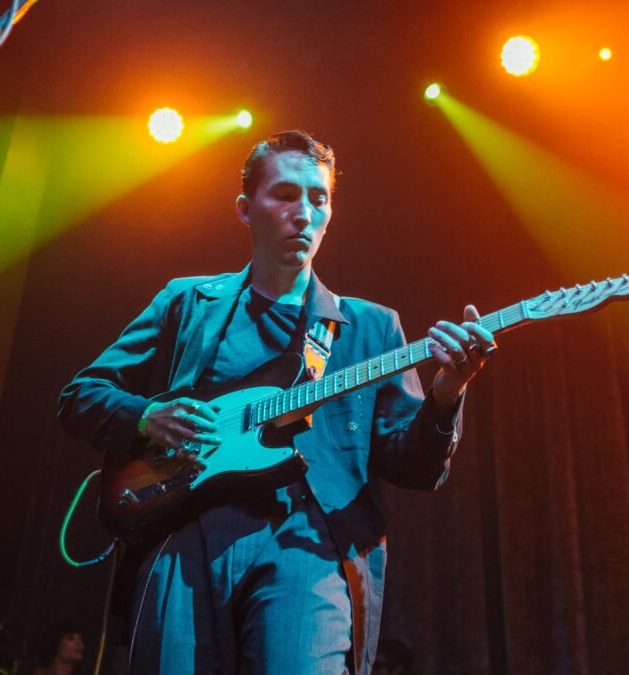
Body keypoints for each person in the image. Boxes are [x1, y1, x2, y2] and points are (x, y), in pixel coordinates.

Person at [58, 130, 496, 674]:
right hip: (184, 533)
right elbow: (81, 395)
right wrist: (147, 416)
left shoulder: (370, 327)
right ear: (245, 209)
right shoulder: (188, 301)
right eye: (285, 195)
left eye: (319, 198)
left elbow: (415, 466)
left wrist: (449, 390)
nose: (304, 213)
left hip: (308, 544)